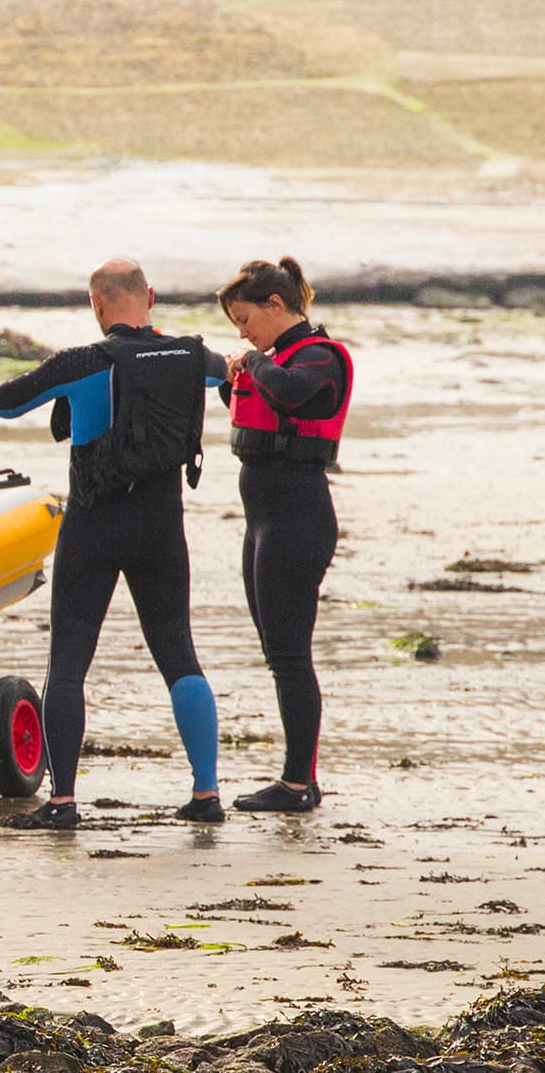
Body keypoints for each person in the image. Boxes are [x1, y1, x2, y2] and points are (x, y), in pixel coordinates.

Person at [0, 258, 226, 827]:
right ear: (151, 295)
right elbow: (231, 374)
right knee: (179, 656)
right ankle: (207, 793)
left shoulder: (87, 360)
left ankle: (65, 800)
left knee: (69, 664)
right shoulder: (196, 357)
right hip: (163, 526)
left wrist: (61, 388)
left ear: (96, 305)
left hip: (95, 524)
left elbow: (5, 401)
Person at [217, 257, 353, 813]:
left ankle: (298, 785)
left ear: (276, 305)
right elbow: (254, 406)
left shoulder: (319, 357)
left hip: (298, 519)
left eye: (246, 319)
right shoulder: (273, 360)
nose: (243, 333)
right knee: (279, 653)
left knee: (291, 656)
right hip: (264, 521)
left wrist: (251, 360)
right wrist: (237, 375)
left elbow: (291, 394)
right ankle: (301, 779)